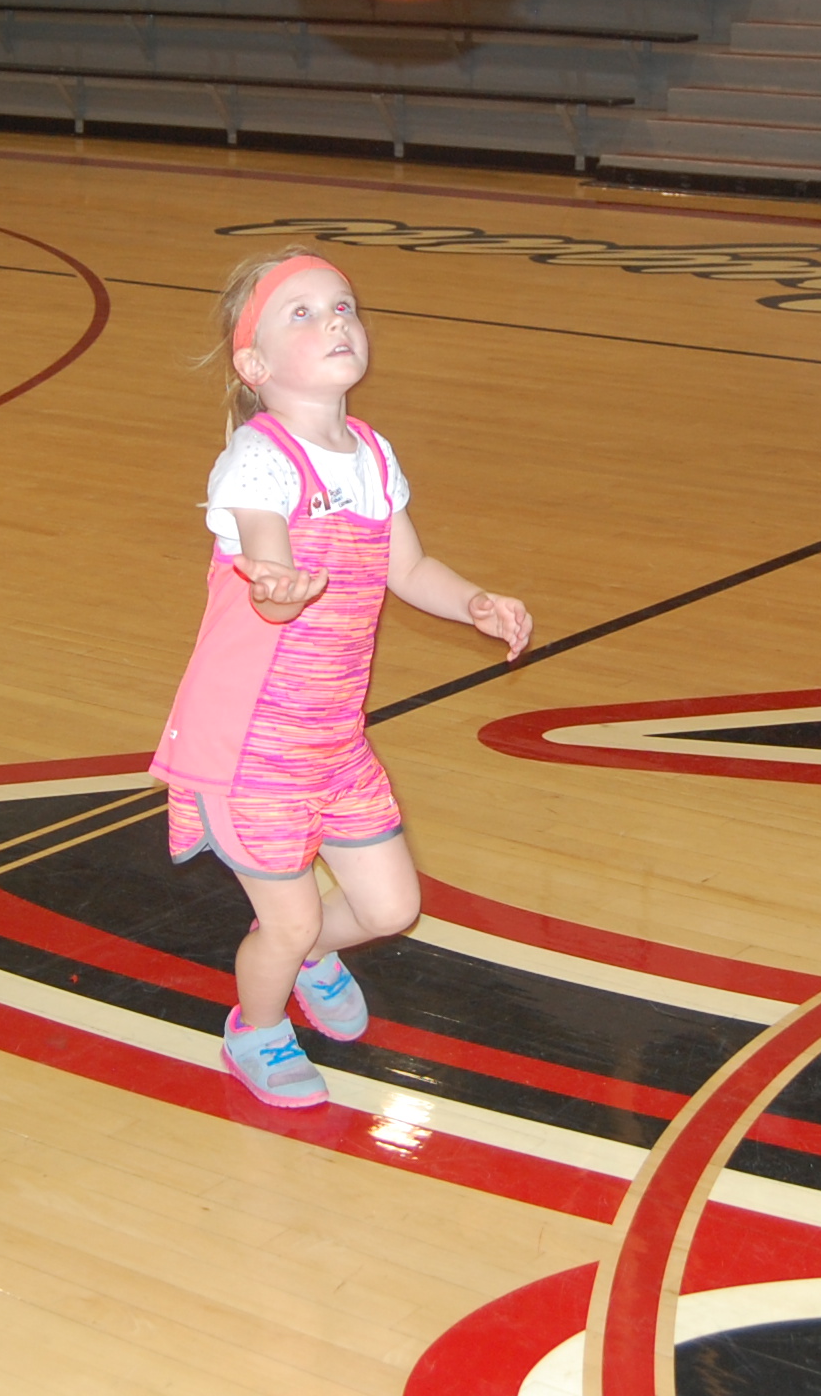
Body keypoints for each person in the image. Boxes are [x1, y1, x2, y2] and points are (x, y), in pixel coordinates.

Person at [150, 247, 531, 1111]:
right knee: (284, 920)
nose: (335, 322)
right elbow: (266, 561)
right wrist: (277, 588)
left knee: (393, 907)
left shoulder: (368, 451)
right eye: (304, 313)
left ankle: (309, 950)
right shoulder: (259, 460)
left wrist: (473, 600)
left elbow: (409, 566)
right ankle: (255, 1028)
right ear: (255, 366)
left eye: (345, 307)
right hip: (250, 749)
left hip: (332, 742)